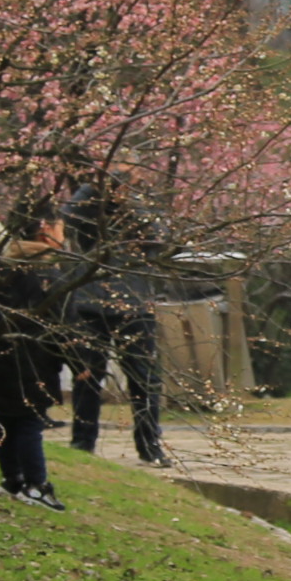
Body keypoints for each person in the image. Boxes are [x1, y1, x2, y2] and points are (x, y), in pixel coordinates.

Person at [64, 174, 170, 467]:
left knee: (145, 378)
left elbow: (158, 237)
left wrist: (130, 203)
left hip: (136, 303)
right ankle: (82, 440)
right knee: (87, 376)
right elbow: (68, 219)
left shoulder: (142, 204)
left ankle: (149, 444)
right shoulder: (87, 203)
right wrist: (94, 189)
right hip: (91, 300)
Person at [0, 204, 76, 510]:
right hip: (33, 360)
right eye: (60, 228)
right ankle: (36, 484)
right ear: (45, 230)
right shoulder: (45, 274)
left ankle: (12, 480)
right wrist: (78, 360)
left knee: (6, 419)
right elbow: (63, 322)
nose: (63, 235)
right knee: (30, 421)